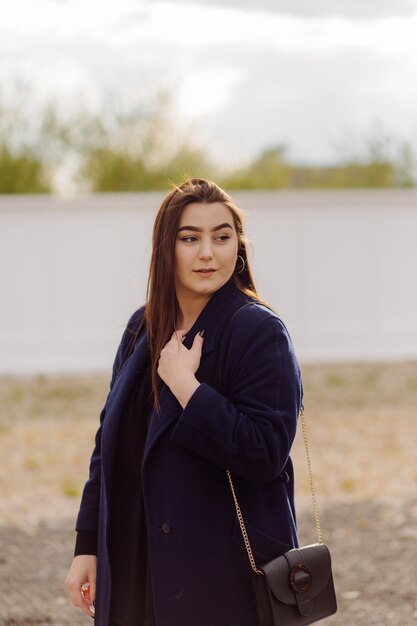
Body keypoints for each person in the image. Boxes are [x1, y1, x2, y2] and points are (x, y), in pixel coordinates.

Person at [65, 178, 303, 626]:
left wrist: (186, 387)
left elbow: (264, 453)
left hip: (220, 574)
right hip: (135, 563)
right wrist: (87, 545)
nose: (207, 252)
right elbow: (107, 447)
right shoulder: (142, 328)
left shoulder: (258, 331)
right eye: (190, 238)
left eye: (222, 236)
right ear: (165, 247)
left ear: (240, 246)